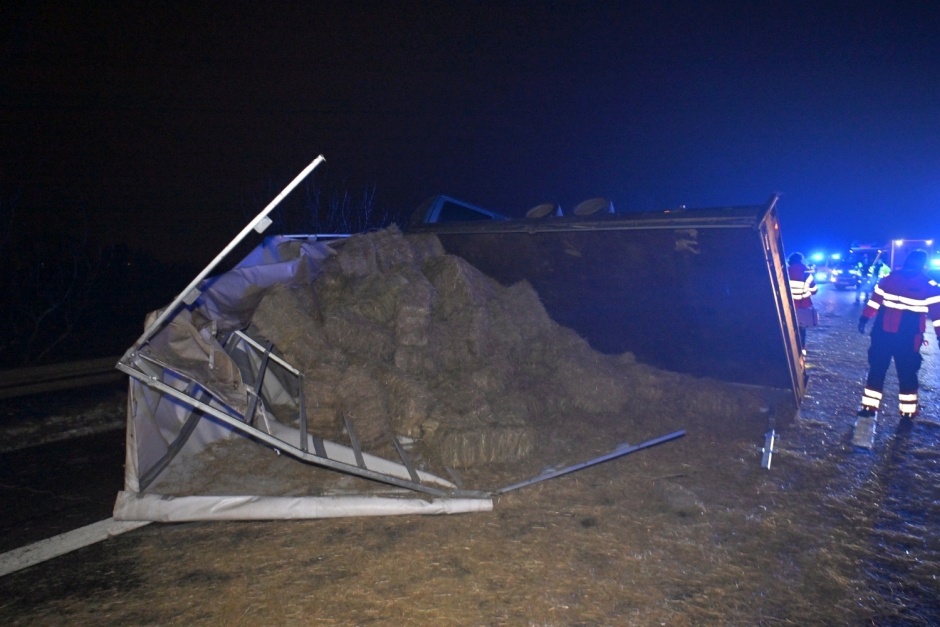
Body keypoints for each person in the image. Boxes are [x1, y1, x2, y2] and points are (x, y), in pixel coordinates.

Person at [855, 250, 940, 443]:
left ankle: (869, 408)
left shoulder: (889, 278)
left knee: (878, 371)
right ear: (923, 265)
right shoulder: (928, 285)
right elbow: (938, 315)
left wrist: (864, 318)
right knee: (907, 374)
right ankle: (907, 413)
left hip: (883, 335)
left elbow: (874, 302)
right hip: (907, 339)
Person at [787, 252, 818, 351]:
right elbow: (814, 291)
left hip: (787, 306)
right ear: (801, 261)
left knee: (788, 329)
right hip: (803, 306)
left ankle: (789, 349)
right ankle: (801, 350)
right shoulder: (806, 273)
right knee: (801, 330)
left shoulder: (785, 271)